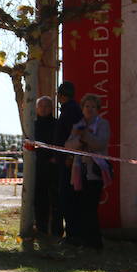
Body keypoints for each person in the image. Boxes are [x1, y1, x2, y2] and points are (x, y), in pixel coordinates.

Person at [63, 94, 110, 249]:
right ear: (82, 108)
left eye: (93, 107)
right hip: (79, 171)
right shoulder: (77, 125)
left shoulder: (103, 124)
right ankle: (82, 240)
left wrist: (85, 135)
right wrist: (80, 139)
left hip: (95, 172)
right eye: (87, 106)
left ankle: (95, 243)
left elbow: (99, 144)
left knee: (91, 208)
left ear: (98, 109)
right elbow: (68, 145)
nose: (89, 109)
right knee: (80, 207)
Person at [53, 81, 83, 243]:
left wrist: (69, 157)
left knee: (68, 198)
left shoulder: (70, 111)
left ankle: (73, 235)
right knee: (68, 197)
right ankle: (72, 233)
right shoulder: (71, 109)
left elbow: (74, 136)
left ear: (61, 95)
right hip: (66, 160)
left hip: (69, 162)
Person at [33, 95, 58, 237]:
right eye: (41, 106)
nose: (43, 109)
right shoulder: (32, 124)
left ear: (52, 108)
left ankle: (56, 230)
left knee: (54, 200)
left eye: (46, 106)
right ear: (36, 108)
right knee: (39, 198)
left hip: (53, 166)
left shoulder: (56, 124)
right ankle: (40, 227)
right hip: (37, 167)